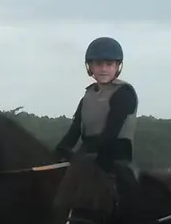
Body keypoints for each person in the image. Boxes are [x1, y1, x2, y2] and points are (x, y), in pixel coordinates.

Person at [56, 37, 138, 169]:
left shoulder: (124, 93)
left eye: (109, 64)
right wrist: (59, 151)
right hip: (87, 155)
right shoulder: (88, 96)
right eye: (99, 64)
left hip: (116, 158)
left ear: (117, 66)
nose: (104, 69)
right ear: (90, 67)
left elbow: (111, 131)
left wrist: (81, 155)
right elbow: (74, 131)